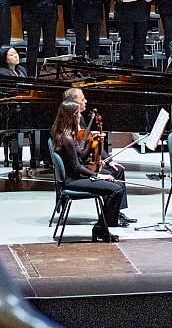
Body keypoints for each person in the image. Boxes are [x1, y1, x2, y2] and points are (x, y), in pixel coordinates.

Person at [49, 100, 127, 242]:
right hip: (73, 181)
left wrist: (92, 142)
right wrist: (99, 176)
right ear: (72, 116)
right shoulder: (67, 138)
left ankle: (102, 227)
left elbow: (81, 156)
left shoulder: (66, 134)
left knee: (118, 186)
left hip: (76, 177)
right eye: (77, 113)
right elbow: (76, 167)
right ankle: (100, 228)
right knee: (116, 190)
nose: (80, 116)